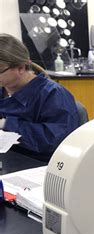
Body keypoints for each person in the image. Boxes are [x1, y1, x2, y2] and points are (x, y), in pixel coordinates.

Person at [0, 33, 80, 161]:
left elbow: (52, 140)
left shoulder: (53, 95)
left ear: (21, 67)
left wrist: (7, 124)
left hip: (39, 164)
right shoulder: (3, 88)